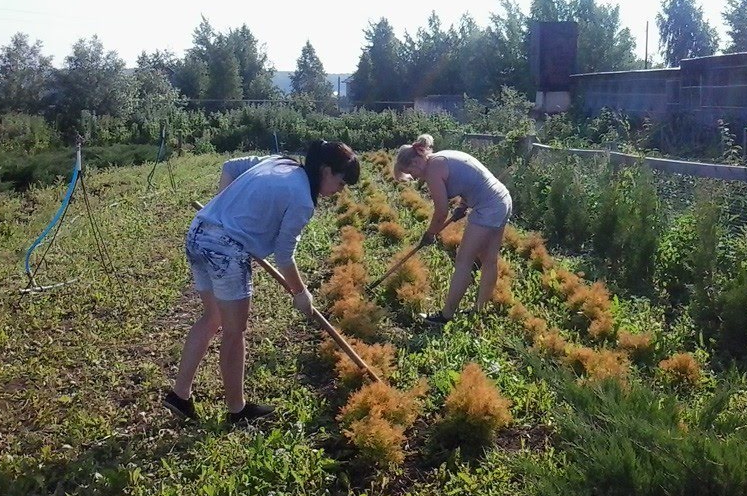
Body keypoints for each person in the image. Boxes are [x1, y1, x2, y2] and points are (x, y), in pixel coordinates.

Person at [163, 140, 360, 425]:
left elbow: (230, 167)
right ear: (325, 170)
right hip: (225, 250)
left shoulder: (279, 161)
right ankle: (237, 411)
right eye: (341, 183)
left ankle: (179, 395)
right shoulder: (303, 200)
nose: (340, 191)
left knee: (212, 316)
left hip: (198, 233)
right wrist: (300, 292)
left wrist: (223, 216)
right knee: (234, 331)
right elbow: (284, 255)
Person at [393, 134, 511, 327]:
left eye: (410, 171)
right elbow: (469, 180)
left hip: (488, 207)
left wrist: (430, 233)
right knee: (489, 258)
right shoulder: (442, 158)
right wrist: (463, 206)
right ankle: (479, 310)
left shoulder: (432, 170)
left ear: (416, 160)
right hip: (502, 199)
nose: (413, 177)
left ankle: (445, 316)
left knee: (464, 260)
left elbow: (441, 211)